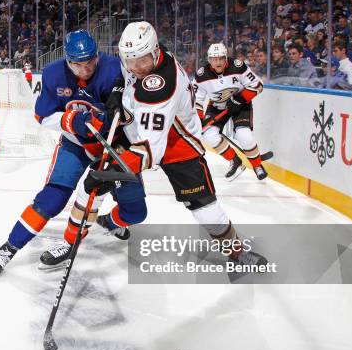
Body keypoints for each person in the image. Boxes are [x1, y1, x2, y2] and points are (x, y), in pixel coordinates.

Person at [42, 23, 267, 270]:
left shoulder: (160, 86)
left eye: (142, 61)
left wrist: (112, 174)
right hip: (136, 131)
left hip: (178, 145)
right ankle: (70, 242)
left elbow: (150, 150)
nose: (137, 68)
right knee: (91, 191)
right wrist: (118, 91)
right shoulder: (146, 56)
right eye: (131, 61)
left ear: (156, 51)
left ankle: (236, 252)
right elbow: (127, 75)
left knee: (205, 210)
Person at [0, 30, 142, 275]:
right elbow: (42, 116)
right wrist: (72, 121)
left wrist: (122, 112)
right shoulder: (53, 73)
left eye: (90, 61)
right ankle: (10, 247)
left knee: (136, 211)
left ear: (97, 56)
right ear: (68, 61)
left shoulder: (117, 69)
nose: (85, 68)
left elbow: (139, 109)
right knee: (53, 196)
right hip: (76, 144)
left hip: (114, 147)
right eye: (78, 64)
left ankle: (109, 221)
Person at [193, 42, 268, 181]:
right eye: (214, 59)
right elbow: (196, 100)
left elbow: (258, 85)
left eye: (221, 58)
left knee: (244, 136)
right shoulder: (201, 75)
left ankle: (257, 165)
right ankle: (235, 162)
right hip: (216, 106)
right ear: (209, 60)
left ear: (226, 58)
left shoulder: (238, 66)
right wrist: (199, 119)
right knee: (208, 134)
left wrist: (240, 98)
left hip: (240, 105)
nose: (218, 62)